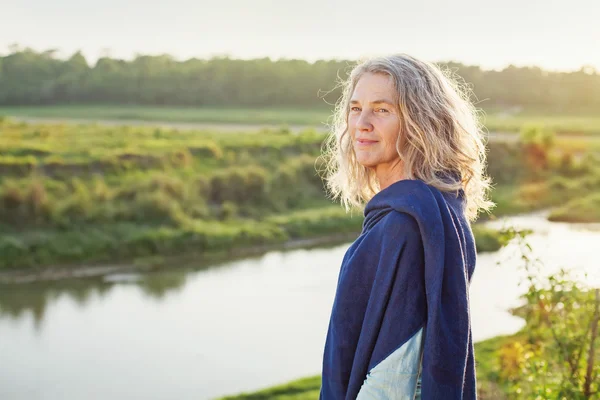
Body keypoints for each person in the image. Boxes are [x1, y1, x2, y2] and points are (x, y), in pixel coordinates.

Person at [318, 54, 494, 399]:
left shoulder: (407, 226)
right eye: (355, 109)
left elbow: (394, 375)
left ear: (420, 122)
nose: (362, 123)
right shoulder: (436, 208)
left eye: (382, 110)